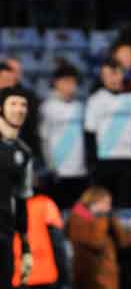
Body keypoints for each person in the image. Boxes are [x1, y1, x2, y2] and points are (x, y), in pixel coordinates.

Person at [84, 59, 131, 208]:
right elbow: (90, 134)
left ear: (122, 74)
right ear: (102, 77)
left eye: (116, 73)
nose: (113, 79)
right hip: (104, 162)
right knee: (103, 207)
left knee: (126, 207)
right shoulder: (95, 100)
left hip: (129, 161)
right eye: (108, 75)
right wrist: (94, 164)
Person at [66, 186, 128, 289]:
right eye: (105, 203)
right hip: (93, 284)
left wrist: (111, 220)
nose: (108, 208)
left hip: (107, 282)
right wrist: (101, 218)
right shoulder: (78, 218)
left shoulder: (106, 220)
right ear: (92, 201)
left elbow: (124, 241)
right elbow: (96, 242)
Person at [0, 87, 33, 289]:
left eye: (23, 105)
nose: (19, 109)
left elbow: (23, 200)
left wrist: (26, 249)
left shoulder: (24, 153)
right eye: (13, 104)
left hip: (5, 234)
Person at [39, 65, 87, 209]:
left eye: (73, 82)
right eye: (66, 81)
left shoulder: (80, 106)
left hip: (79, 170)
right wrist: (50, 165)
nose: (70, 86)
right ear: (56, 82)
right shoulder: (47, 107)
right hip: (58, 171)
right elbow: (44, 139)